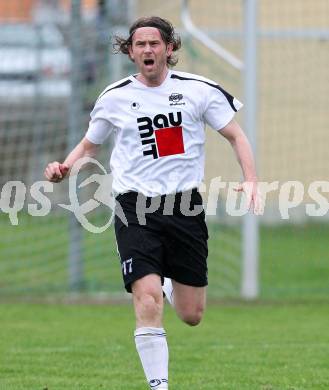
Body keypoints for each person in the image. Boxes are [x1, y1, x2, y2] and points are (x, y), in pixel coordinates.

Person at [44, 16, 262, 390]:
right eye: (140, 44)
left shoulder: (199, 91)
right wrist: (66, 166)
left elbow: (235, 135)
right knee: (146, 300)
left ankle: (167, 282)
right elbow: (90, 144)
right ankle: (159, 386)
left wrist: (252, 179)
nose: (148, 50)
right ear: (130, 51)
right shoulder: (113, 97)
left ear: (169, 48)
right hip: (134, 209)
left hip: (185, 208)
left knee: (192, 315)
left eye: (155, 43)